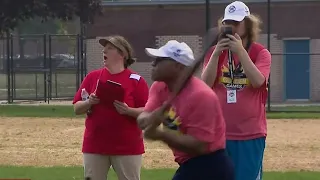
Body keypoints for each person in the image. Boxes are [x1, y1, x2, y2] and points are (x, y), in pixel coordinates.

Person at [137, 40, 235, 180]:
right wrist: (149, 118)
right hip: (188, 164)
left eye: (160, 60)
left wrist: (161, 135)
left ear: (177, 66)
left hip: (211, 166)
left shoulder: (202, 96)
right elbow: (143, 117)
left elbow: (199, 146)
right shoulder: (160, 87)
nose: (153, 64)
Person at [201, 1, 272, 180]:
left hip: (250, 135)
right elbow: (205, 84)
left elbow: (258, 81)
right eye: (228, 23)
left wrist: (240, 51)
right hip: (220, 133)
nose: (231, 27)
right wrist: (216, 53)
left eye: (236, 22)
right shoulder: (214, 52)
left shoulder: (260, 53)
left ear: (248, 23)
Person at [72, 35, 149, 180]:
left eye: (110, 48)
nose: (104, 51)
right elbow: (77, 108)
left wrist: (128, 110)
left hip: (127, 146)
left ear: (122, 54)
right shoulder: (92, 77)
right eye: (104, 49)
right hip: (95, 144)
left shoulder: (136, 80)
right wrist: (89, 102)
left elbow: (148, 111)